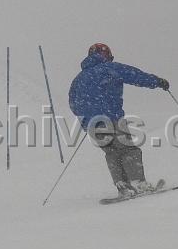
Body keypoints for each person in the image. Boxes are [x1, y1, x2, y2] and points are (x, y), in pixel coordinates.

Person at [68, 43, 169, 197]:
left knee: (112, 153)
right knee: (128, 149)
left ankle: (123, 186)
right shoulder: (109, 68)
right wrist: (158, 82)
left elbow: (73, 103)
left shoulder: (78, 79)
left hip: (93, 125)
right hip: (111, 118)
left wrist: (87, 119)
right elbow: (135, 75)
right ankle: (138, 183)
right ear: (105, 55)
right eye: (109, 55)